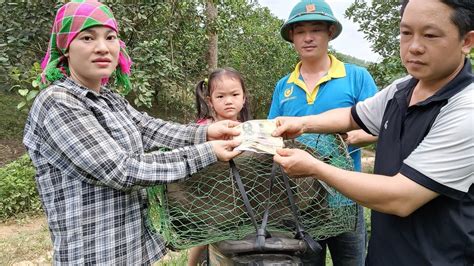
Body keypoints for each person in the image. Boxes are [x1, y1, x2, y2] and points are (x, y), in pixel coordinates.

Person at [23, 1, 242, 265]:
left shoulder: (109, 99)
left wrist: (207, 132)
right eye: (87, 38)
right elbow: (120, 169)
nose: (102, 47)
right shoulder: (58, 102)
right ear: (66, 48)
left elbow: (150, 129)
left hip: (131, 250)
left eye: (110, 37)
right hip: (95, 255)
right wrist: (206, 152)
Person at [272, 0, 474, 265]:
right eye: (405, 33)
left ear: (467, 41)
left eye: (430, 35)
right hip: (385, 253)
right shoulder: (401, 90)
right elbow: (352, 115)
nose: (413, 46)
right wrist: (303, 123)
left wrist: (315, 168)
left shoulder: (466, 109)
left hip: (439, 257)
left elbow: (401, 197)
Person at [267, 0, 378, 264]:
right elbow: (273, 134)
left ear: (330, 33)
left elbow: (380, 126)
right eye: (300, 31)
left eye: (316, 30)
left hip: (346, 197)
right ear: (292, 37)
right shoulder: (284, 85)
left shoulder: (357, 77)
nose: (308, 38)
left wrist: (350, 138)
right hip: (299, 201)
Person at [188, 67, 251, 266]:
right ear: (210, 101)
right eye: (221, 96)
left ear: (244, 97)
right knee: (206, 234)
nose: (229, 101)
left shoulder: (248, 127)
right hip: (210, 192)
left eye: (234, 94)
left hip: (241, 193)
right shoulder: (203, 128)